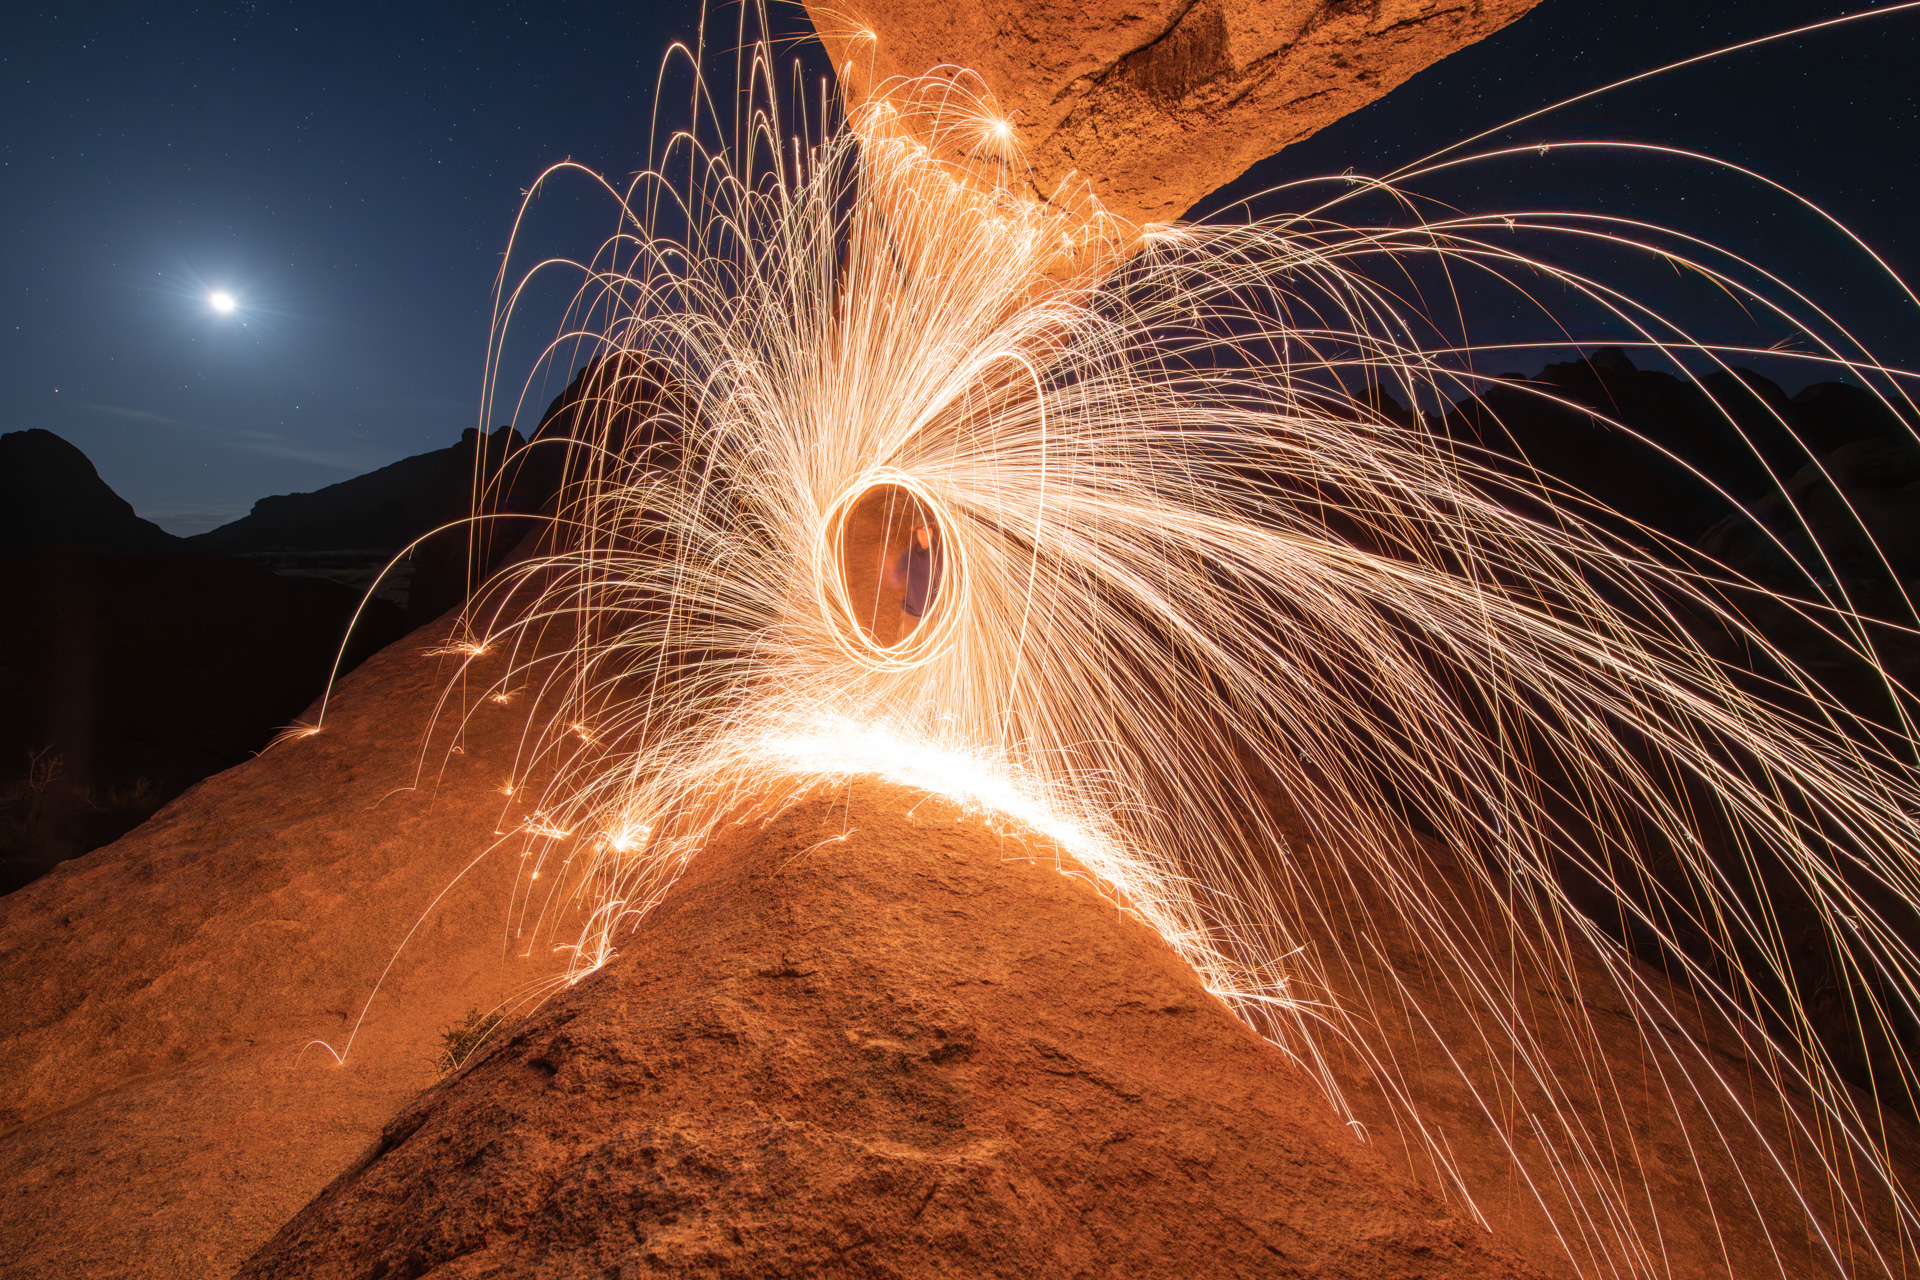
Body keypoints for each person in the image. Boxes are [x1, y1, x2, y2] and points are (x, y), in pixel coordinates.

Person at [887, 521, 943, 638]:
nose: (924, 535)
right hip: (910, 615)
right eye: (920, 532)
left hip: (932, 617)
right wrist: (890, 574)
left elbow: (950, 585)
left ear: (932, 532)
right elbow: (895, 583)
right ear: (916, 533)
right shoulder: (908, 556)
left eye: (927, 531)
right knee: (903, 653)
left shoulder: (941, 558)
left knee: (930, 653)